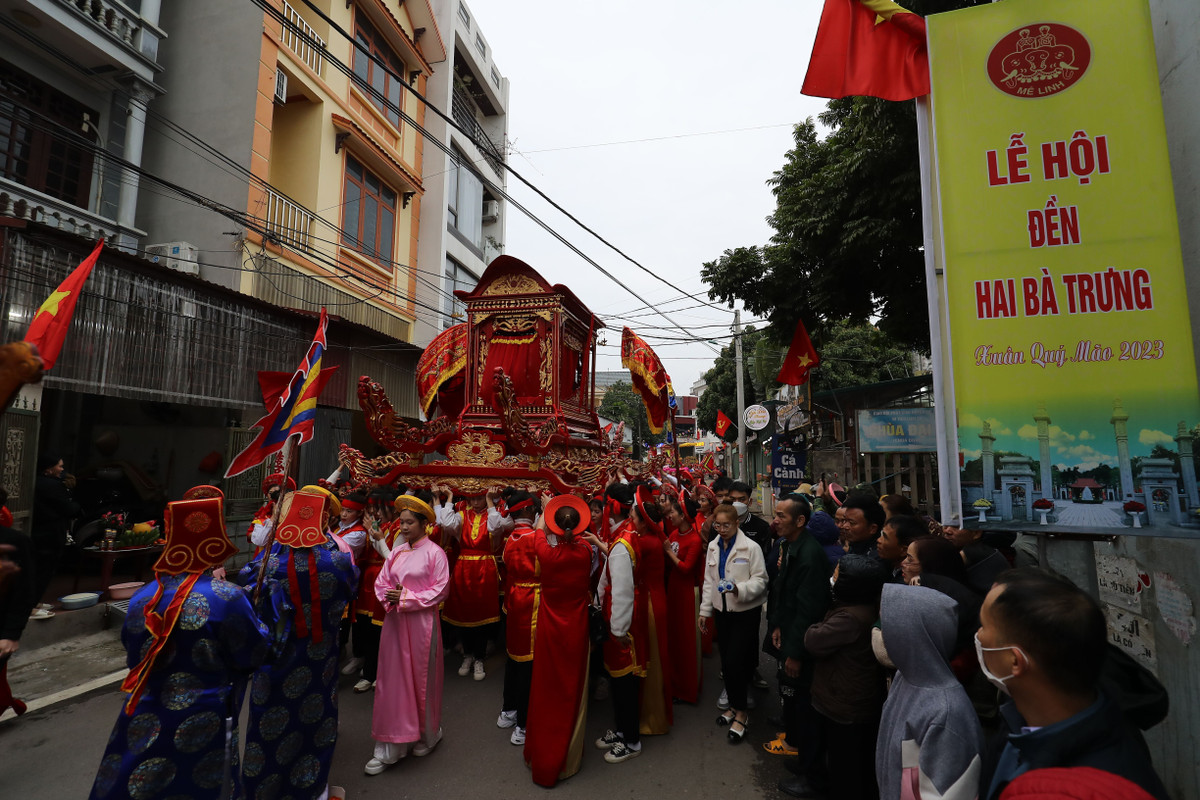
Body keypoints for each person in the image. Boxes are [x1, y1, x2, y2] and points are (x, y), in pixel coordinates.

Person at [89, 493, 269, 800]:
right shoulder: (227, 597)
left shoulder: (142, 597)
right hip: (206, 712)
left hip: (145, 708)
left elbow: (133, 652)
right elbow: (253, 652)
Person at [979, 568, 1169, 800]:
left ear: (1015, 660)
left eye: (984, 626)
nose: (978, 636)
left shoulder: (1085, 784)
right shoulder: (1022, 723)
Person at [238, 488, 359, 800]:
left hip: (274, 661)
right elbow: (351, 588)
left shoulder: (266, 566)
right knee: (315, 723)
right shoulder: (337, 562)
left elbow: (247, 594)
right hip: (320, 658)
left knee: (268, 727)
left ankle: (261, 790)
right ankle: (311, 789)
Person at [365, 494, 451, 774]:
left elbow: (441, 590)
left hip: (423, 626)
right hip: (395, 625)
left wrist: (406, 597)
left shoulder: (435, 554)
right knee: (393, 682)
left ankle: (429, 733)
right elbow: (383, 582)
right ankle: (392, 744)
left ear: (424, 524)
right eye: (401, 522)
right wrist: (391, 598)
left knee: (422, 682)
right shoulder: (398, 552)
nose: (403, 527)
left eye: (409, 522)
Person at [876, 583, 983, 800]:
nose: (882, 633)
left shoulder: (946, 711)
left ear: (910, 633)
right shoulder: (904, 676)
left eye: (889, 625)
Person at [804, 554, 892, 800]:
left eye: (837, 574)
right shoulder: (863, 607)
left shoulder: (849, 617)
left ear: (850, 584)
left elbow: (813, 640)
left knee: (846, 769)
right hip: (848, 697)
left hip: (844, 701)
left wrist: (814, 626)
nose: (832, 577)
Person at [525, 494, 594, 787]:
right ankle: (567, 756)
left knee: (545, 686)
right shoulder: (587, 551)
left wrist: (545, 510)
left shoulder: (546, 553)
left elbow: (540, 531)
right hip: (577, 627)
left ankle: (540, 754)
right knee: (571, 688)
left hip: (550, 628)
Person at [767, 495, 833, 797]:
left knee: (807, 711)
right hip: (790, 630)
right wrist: (779, 625)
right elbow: (785, 594)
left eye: (781, 516)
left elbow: (807, 610)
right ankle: (804, 761)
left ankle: (813, 777)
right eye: (776, 514)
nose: (775, 520)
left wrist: (795, 652)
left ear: (800, 521)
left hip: (802, 642)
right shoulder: (789, 546)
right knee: (797, 705)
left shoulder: (809, 554)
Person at [699, 502, 768, 745]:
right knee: (726, 663)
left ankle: (741, 713)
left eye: (726, 524)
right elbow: (709, 581)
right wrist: (705, 610)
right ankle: (734, 706)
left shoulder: (751, 548)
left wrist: (738, 588)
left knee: (736, 662)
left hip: (745, 613)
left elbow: (761, 581)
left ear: (737, 523)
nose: (721, 529)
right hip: (722, 612)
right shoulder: (713, 546)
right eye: (717, 524)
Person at [594, 482, 648, 764]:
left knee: (624, 684)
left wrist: (618, 630)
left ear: (610, 508)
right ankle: (622, 730)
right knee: (618, 683)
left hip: (622, 625)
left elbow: (623, 590)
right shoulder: (625, 535)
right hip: (621, 619)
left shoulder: (621, 543)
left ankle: (631, 740)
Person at [437, 487, 513, 681]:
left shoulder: (496, 515)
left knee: (482, 614)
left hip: (485, 567)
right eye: (474, 498)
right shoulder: (462, 516)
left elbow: (497, 528)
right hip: (463, 567)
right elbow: (445, 523)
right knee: (464, 613)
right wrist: (451, 498)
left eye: (481, 498)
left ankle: (479, 658)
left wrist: (490, 503)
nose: (477, 502)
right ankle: (467, 655)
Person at [347, 487, 402, 692]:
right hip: (371, 579)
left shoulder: (398, 529)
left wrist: (376, 535)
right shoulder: (384, 525)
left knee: (381, 631)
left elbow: (392, 558)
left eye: (379, 509)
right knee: (367, 628)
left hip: (386, 579)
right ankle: (368, 670)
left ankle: (381, 672)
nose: (376, 513)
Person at [496, 490, 540, 745]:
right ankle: (523, 724)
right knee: (527, 664)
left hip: (514, 599)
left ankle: (508, 710)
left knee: (513, 659)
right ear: (527, 511)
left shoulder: (510, 538)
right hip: (532, 602)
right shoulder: (535, 538)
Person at [632, 485, 673, 736]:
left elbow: (623, 563)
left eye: (633, 518)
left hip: (649, 603)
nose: (630, 522)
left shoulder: (645, 542)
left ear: (644, 523)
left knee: (650, 659)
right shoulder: (654, 537)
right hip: (657, 599)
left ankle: (652, 718)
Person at [663, 491, 704, 704]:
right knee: (675, 640)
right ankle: (675, 684)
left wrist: (669, 552)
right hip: (673, 591)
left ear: (683, 516)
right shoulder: (674, 535)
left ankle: (688, 689)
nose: (669, 515)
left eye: (673, 512)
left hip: (688, 594)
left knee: (687, 642)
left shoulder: (694, 539)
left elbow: (686, 569)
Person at [30, 452, 80, 616]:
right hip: (48, 534)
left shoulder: (43, 483)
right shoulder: (51, 486)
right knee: (42, 571)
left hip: (42, 532)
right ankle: (30, 606)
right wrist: (75, 506)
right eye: (59, 466)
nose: (62, 469)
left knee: (40, 570)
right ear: (49, 469)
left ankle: (34, 602)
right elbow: (68, 508)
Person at [943, 523, 1011, 596]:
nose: (947, 531)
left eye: (956, 526)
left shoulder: (971, 553)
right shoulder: (987, 550)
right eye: (946, 525)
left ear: (976, 533)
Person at [876, 515, 928, 581]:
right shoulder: (885, 565)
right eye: (881, 534)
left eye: (885, 537)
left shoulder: (907, 581)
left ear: (904, 550)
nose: (879, 540)